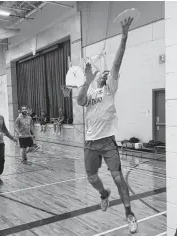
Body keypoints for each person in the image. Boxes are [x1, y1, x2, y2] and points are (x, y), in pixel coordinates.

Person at [76, 17, 138, 234]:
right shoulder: (90, 92)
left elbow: (117, 63)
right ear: (96, 79)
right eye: (100, 74)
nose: (103, 74)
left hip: (108, 142)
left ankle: (129, 213)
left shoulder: (110, 89)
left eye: (105, 73)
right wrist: (86, 79)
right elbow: (79, 101)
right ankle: (104, 194)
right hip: (91, 143)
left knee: (118, 177)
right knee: (92, 178)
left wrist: (124, 36)